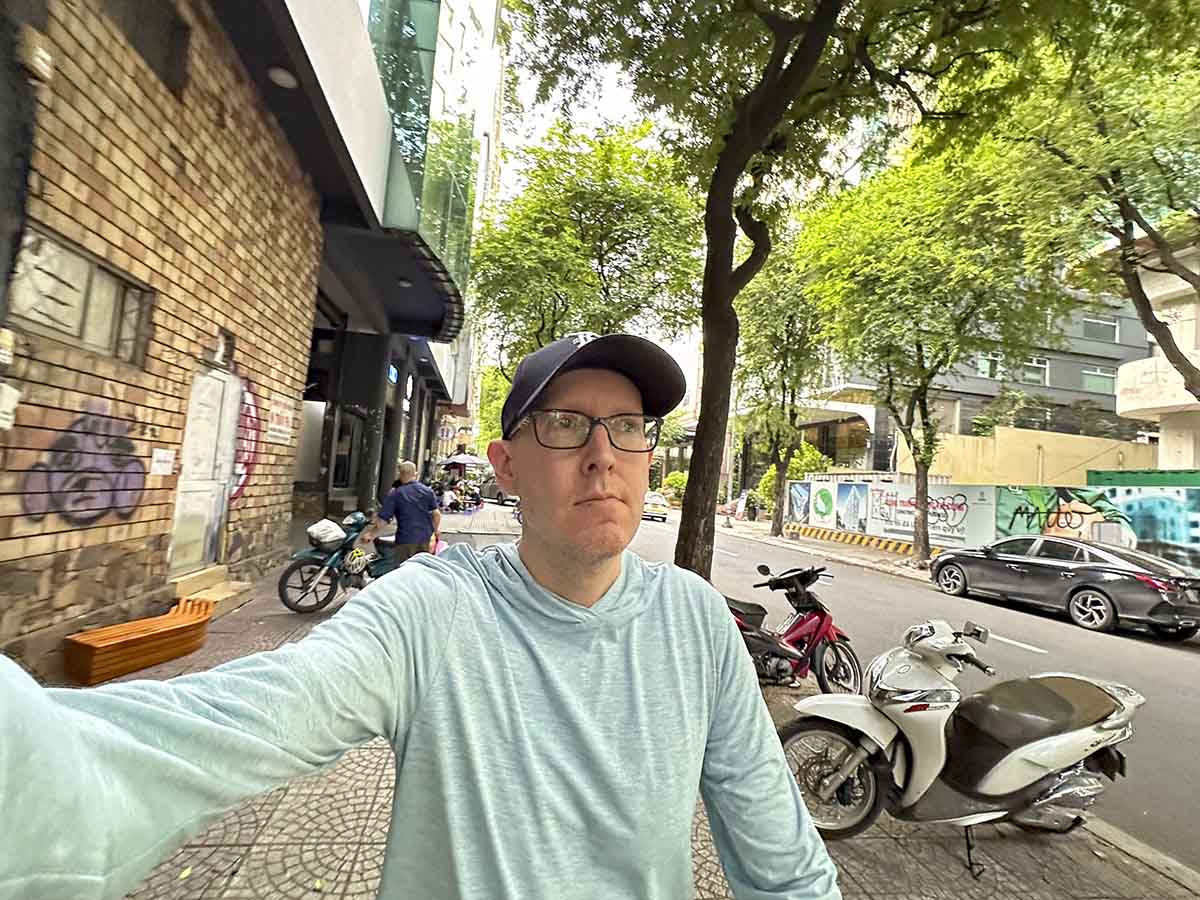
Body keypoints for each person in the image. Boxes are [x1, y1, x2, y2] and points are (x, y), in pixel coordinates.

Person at [0, 332, 840, 900]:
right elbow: (251, 712)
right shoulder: (433, 609)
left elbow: (785, 863)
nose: (602, 455)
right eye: (567, 424)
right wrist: (38, 753)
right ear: (506, 467)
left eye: (628, 427)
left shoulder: (693, 621)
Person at [364, 460, 441, 564]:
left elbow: (383, 520)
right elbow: (436, 514)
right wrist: (435, 531)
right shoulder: (427, 491)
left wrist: (371, 534)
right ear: (416, 474)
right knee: (421, 569)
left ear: (400, 474)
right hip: (424, 540)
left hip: (405, 540)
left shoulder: (396, 493)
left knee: (404, 571)